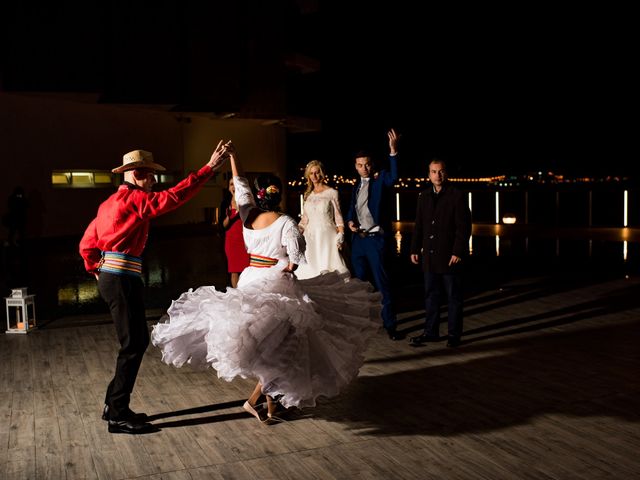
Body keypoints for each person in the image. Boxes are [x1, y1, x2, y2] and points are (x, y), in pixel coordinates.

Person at [151, 145, 381, 424]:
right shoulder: (285, 222)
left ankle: (266, 405)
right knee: (282, 346)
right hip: (276, 285)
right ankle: (259, 402)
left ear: (260, 198)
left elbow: (241, 186)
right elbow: (295, 260)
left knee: (267, 346)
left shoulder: (248, 216)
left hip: (250, 278)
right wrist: (284, 263)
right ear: (279, 195)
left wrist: (234, 158)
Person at [79, 143, 230, 434]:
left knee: (134, 344)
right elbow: (174, 197)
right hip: (122, 278)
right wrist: (208, 168)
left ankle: (114, 404)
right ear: (137, 174)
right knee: (132, 345)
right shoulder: (134, 200)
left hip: (116, 277)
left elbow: (86, 243)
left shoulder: (108, 203)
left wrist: (95, 268)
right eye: (150, 176)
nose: (154, 182)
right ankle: (117, 414)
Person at [409, 158, 472, 348]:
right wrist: (413, 248)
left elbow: (464, 227)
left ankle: (454, 335)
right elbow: (419, 225)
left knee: (453, 297)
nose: (438, 175)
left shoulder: (457, 195)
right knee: (431, 296)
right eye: (434, 171)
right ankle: (431, 332)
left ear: (446, 173)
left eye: (441, 171)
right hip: (429, 256)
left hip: (450, 256)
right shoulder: (424, 196)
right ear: (429, 175)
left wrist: (458, 251)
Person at [346, 128, 400, 340]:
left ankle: (391, 325)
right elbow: (353, 208)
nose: (364, 168)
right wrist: (350, 221)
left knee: (382, 284)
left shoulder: (381, 178)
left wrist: (393, 151)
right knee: (359, 286)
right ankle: (361, 324)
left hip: (376, 240)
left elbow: (394, 177)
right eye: (360, 165)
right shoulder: (356, 185)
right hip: (358, 242)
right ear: (356, 166)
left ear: (373, 163)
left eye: (367, 164)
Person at [295, 160, 349, 279]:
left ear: (322, 173)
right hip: (310, 238)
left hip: (327, 237)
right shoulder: (308, 195)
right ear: (308, 175)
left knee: (328, 269)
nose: (314, 176)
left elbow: (338, 217)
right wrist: (295, 233)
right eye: (311, 173)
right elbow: (304, 220)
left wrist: (341, 234)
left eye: (317, 172)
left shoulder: (332, 193)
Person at [220, 177, 250, 288]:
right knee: (234, 271)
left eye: (235, 184)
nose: (233, 187)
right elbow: (223, 225)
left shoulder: (246, 201)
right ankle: (236, 296)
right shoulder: (225, 203)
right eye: (231, 184)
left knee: (247, 270)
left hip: (245, 240)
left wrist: (241, 211)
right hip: (231, 241)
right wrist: (229, 218)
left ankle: (246, 293)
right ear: (229, 188)